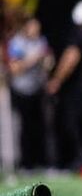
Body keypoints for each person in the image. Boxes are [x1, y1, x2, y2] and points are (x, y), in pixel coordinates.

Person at [46, 0, 82, 172]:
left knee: (71, 124)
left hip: (77, 88)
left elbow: (71, 58)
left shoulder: (79, 33)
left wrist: (56, 79)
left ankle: (79, 161)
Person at [6, 17, 52, 169]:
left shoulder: (40, 41)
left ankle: (41, 162)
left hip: (37, 89)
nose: (36, 31)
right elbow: (15, 68)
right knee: (23, 128)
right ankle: (25, 164)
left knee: (40, 127)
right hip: (21, 90)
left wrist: (47, 62)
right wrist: (33, 59)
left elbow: (48, 62)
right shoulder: (17, 43)